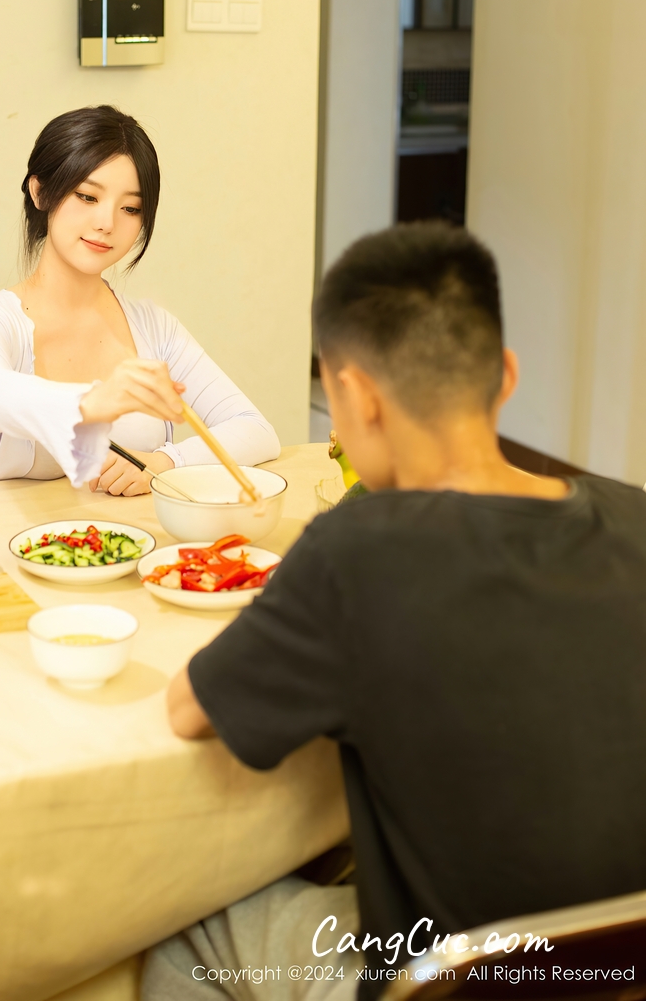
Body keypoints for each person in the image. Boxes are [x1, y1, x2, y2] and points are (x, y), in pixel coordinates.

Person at [145, 222, 646, 1000]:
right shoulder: (635, 517)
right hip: (616, 964)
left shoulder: (356, 549)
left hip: (447, 981)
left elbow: (187, 711)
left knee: (182, 928)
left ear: (354, 396)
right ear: (506, 376)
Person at [0, 106, 279, 490]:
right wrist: (95, 400)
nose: (107, 223)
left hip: (126, 529)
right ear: (40, 193)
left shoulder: (154, 328)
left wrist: (165, 462)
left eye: (130, 208)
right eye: (87, 196)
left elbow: (255, 430)